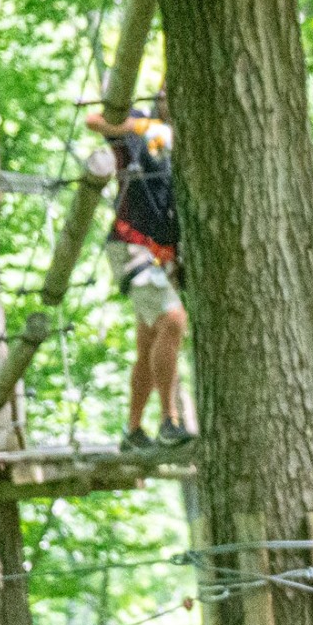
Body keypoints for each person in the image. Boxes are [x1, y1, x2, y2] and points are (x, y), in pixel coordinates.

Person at [87, 92, 194, 451]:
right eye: (163, 95)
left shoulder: (189, 141)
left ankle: (133, 431)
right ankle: (169, 420)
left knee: (151, 338)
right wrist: (151, 126)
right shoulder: (141, 129)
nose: (169, 100)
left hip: (158, 255)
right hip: (132, 246)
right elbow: (96, 121)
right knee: (173, 321)